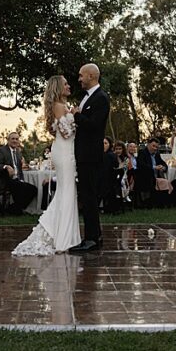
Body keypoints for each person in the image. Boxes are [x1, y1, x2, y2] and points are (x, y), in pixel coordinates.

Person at [13, 75, 81, 256]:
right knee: (66, 191)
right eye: (65, 83)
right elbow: (66, 133)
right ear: (58, 87)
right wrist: (76, 116)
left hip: (67, 151)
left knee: (67, 191)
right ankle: (61, 237)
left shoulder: (61, 106)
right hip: (64, 151)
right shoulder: (59, 106)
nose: (69, 86)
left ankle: (65, 235)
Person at [69, 63, 110, 253]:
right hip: (83, 154)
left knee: (89, 196)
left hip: (90, 155)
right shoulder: (88, 98)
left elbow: (94, 126)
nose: (79, 79)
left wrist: (77, 116)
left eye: (81, 75)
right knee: (87, 195)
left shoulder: (101, 98)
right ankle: (96, 235)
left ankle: (92, 238)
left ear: (92, 76)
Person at [0, 132, 37, 215]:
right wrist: (6, 166)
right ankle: (15, 209)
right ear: (8, 140)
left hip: (17, 179)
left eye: (17, 139)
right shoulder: (2, 150)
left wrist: (23, 167)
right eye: (13, 139)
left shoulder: (17, 151)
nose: (15, 141)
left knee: (33, 189)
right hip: (5, 179)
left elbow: (19, 166)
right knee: (22, 189)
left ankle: (13, 208)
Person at [135, 137, 171, 207]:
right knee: (154, 181)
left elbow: (163, 163)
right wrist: (154, 168)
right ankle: (151, 202)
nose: (155, 148)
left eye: (156, 147)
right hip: (145, 176)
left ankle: (164, 203)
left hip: (156, 176)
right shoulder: (142, 152)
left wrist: (163, 168)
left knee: (166, 182)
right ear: (148, 144)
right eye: (153, 146)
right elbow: (141, 165)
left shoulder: (157, 154)